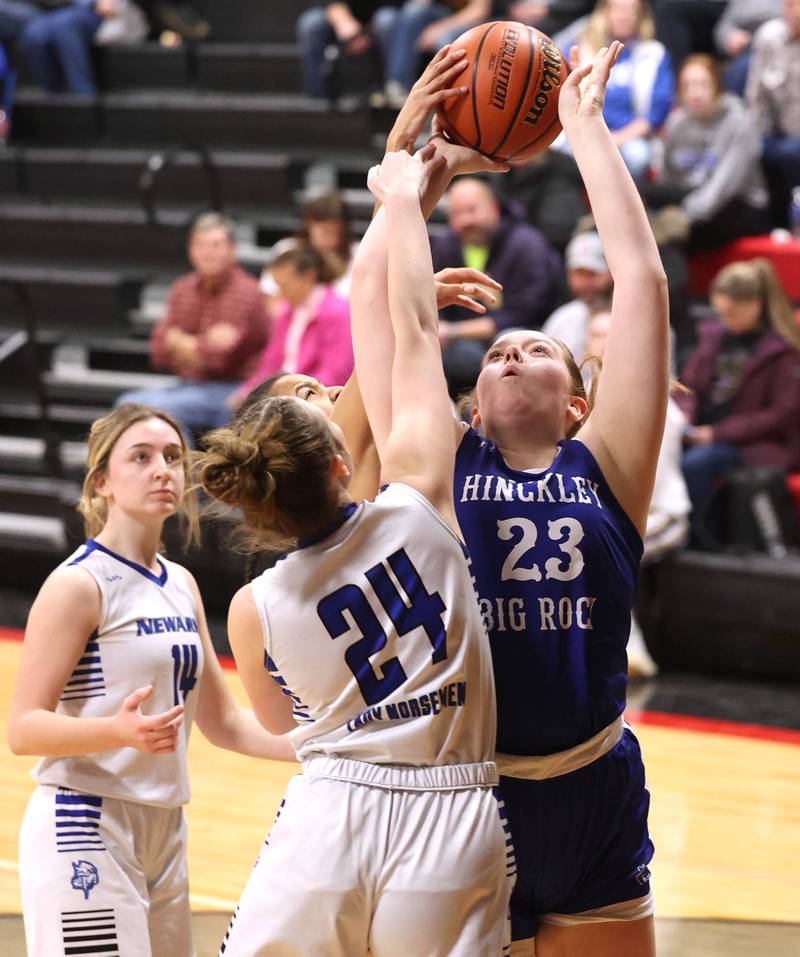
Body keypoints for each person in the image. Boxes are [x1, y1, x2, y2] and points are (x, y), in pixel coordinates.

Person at [354, 40, 668, 955]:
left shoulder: (608, 463)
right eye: (494, 350)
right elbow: (389, 320)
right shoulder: (442, 462)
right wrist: (405, 167)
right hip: (465, 794)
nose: (505, 351)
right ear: (474, 398)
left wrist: (582, 131)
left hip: (594, 785)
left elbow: (642, 283)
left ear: (578, 404)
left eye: (533, 346)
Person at [199, 146, 512, 956]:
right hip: (449, 807)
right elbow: (407, 339)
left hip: (332, 799)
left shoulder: (255, 605)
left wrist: (403, 195)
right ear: (339, 461)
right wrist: (407, 200)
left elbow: (283, 723)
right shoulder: (415, 504)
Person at [6, 403, 295, 957]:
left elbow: (226, 724)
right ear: (102, 481)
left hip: (164, 828)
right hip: (86, 819)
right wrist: (118, 732)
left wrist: (325, 747)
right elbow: (23, 729)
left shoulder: (180, 583)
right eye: (140, 457)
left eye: (171, 457)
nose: (162, 469)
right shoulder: (79, 583)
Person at [584, 305, 690, 677]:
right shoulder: (577, 398)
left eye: (610, 336)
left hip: (659, 515)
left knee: (603, 550)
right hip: (606, 512)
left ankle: (627, 651)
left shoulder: (657, 405)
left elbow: (640, 490)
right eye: (596, 334)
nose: (601, 343)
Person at [676, 258, 800, 541]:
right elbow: (687, 386)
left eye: (731, 313)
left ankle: (698, 540)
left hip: (755, 443)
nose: (725, 320)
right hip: (701, 431)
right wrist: (682, 418)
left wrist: (715, 433)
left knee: (695, 464)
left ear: (755, 305)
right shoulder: (714, 337)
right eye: (720, 312)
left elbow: (782, 415)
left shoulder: (785, 349)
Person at [116, 212, 268, 441]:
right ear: (190, 250)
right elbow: (159, 351)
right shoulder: (182, 288)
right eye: (201, 245)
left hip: (233, 388)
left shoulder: (249, 293)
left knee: (155, 410)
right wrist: (202, 344)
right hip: (187, 384)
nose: (208, 253)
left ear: (232, 249)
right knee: (127, 405)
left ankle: (183, 474)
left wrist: (180, 340)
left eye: (216, 245)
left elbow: (220, 361)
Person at [431, 176, 562, 394]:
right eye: (457, 214)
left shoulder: (527, 245)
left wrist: (454, 331)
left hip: (518, 338)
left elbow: (527, 312)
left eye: (472, 210)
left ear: (494, 207)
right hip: (458, 342)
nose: (465, 221)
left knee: (506, 342)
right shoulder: (446, 246)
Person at [644, 53, 770, 251]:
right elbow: (666, 181)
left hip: (737, 203)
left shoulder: (740, 123)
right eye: (687, 86)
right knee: (644, 191)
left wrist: (682, 218)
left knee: (675, 235)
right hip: (691, 195)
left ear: (717, 86)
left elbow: (722, 188)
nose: (695, 93)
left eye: (702, 84)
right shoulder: (676, 122)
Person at [557, 0, 674, 180]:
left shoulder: (654, 53)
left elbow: (656, 113)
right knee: (558, 153)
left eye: (632, 11)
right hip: (583, 131)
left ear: (641, 17)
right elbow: (562, 96)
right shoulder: (580, 47)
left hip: (629, 137)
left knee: (638, 156)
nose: (624, 16)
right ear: (605, 12)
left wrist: (617, 139)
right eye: (619, 9)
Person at [232, 243, 353, 410]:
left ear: (309, 276)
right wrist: (248, 391)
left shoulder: (338, 312)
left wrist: (295, 396)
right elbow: (270, 362)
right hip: (286, 392)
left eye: (285, 285)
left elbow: (335, 372)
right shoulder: (287, 312)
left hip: (313, 399)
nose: (280, 293)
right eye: (278, 286)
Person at [746, 0, 800, 228]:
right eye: (790, 5)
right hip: (779, 134)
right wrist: (753, 138)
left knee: (791, 153)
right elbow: (755, 95)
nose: (797, 12)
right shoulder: (768, 37)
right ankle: (772, 225)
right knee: (753, 148)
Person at [296, 0, 401, 99]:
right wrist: (340, 17)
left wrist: (365, 33)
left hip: (381, 17)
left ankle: (392, 91)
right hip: (341, 15)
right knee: (311, 23)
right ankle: (317, 97)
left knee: (387, 20)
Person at [542, 229, 612, 360]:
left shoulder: (633, 319)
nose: (583, 284)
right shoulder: (562, 320)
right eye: (578, 274)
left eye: (592, 274)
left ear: (611, 272)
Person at [713, 0, 781, 95]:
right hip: (748, 47)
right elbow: (723, 28)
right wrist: (729, 37)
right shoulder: (740, 3)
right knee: (741, 70)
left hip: (781, 46)